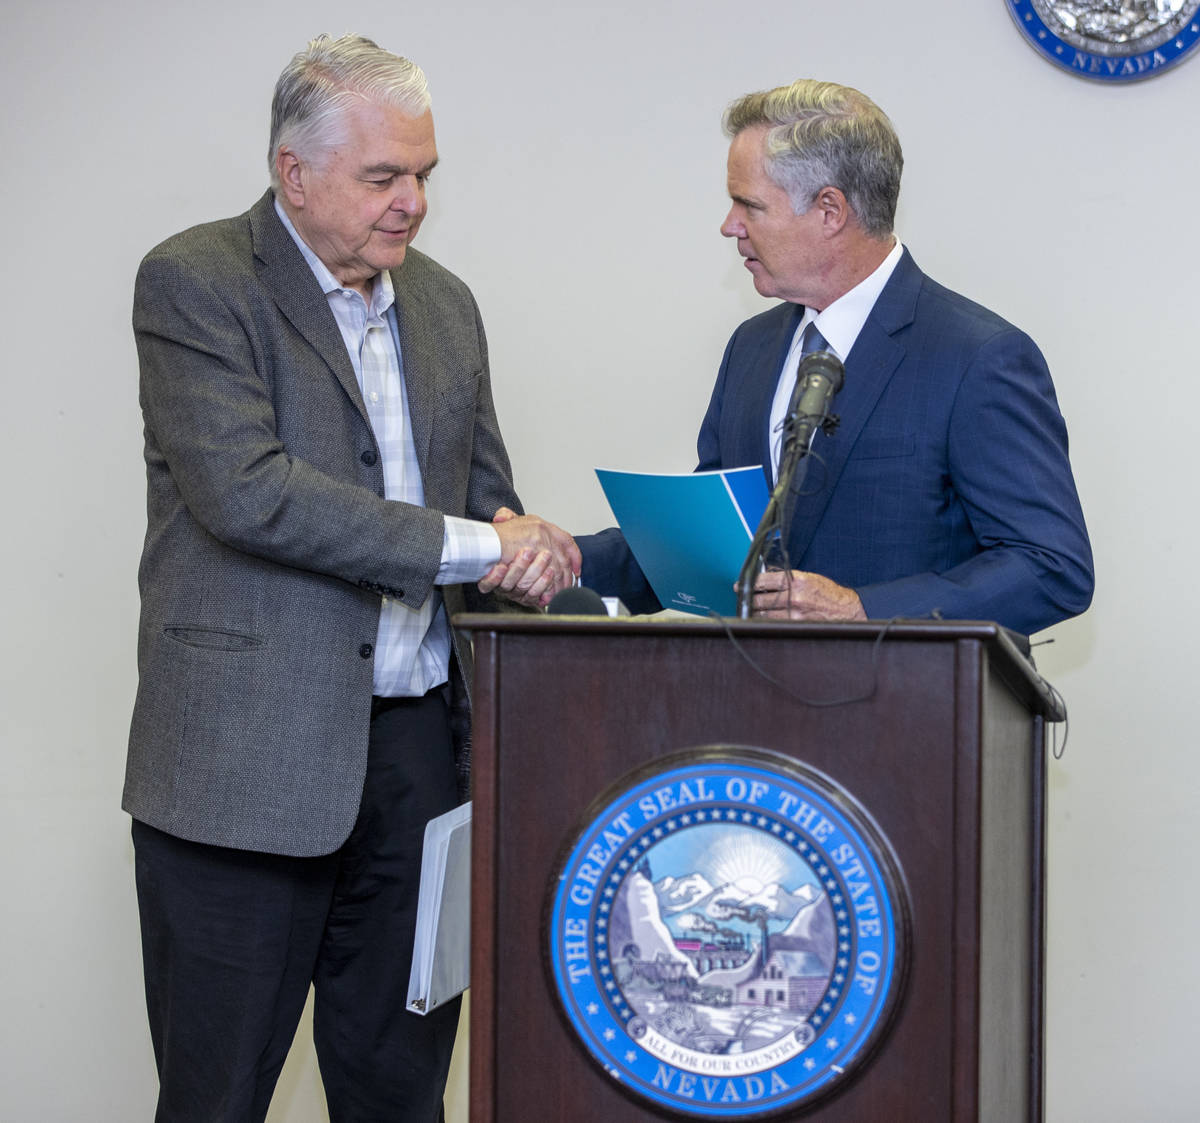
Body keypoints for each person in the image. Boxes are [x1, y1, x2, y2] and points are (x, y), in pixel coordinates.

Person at [123, 34, 577, 1122]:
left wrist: (526, 540)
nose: (413, 203)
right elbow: (249, 493)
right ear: (294, 172)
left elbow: (485, 492)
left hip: (422, 767)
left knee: (400, 1095)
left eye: (424, 173)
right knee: (214, 1096)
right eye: (384, 177)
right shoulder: (194, 281)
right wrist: (477, 542)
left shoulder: (445, 304)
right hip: (244, 771)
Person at [578, 79, 1093, 635]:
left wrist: (862, 610)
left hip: (904, 708)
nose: (729, 226)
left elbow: (1052, 566)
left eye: (749, 205)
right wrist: (569, 560)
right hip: (743, 705)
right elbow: (716, 543)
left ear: (829, 211)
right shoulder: (750, 349)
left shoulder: (979, 358)